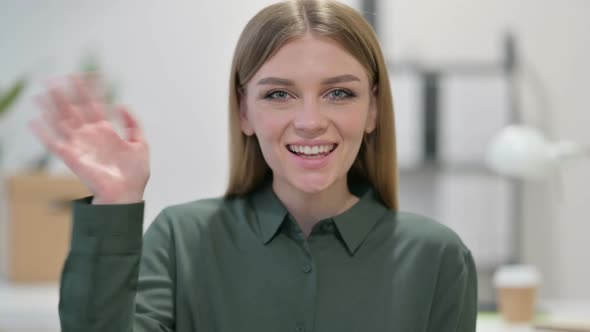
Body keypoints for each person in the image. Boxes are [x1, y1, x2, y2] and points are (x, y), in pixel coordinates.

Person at [30, 0, 478, 331]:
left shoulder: (437, 258)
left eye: (339, 93)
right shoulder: (181, 240)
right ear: (244, 111)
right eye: (278, 94)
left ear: (373, 110)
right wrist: (115, 203)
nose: (309, 122)